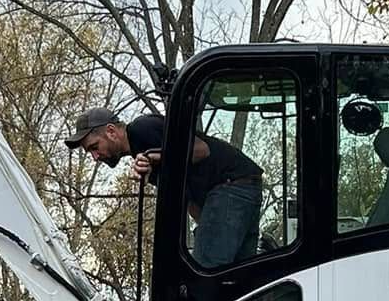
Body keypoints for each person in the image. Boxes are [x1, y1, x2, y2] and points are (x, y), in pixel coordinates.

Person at [66, 105, 262, 270]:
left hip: (230, 185)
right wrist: (204, 227)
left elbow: (200, 151)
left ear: (111, 131)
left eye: (94, 147)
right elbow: (187, 198)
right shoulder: (140, 155)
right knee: (239, 277)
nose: (95, 157)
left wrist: (155, 157)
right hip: (240, 188)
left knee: (205, 273)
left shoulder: (142, 129)